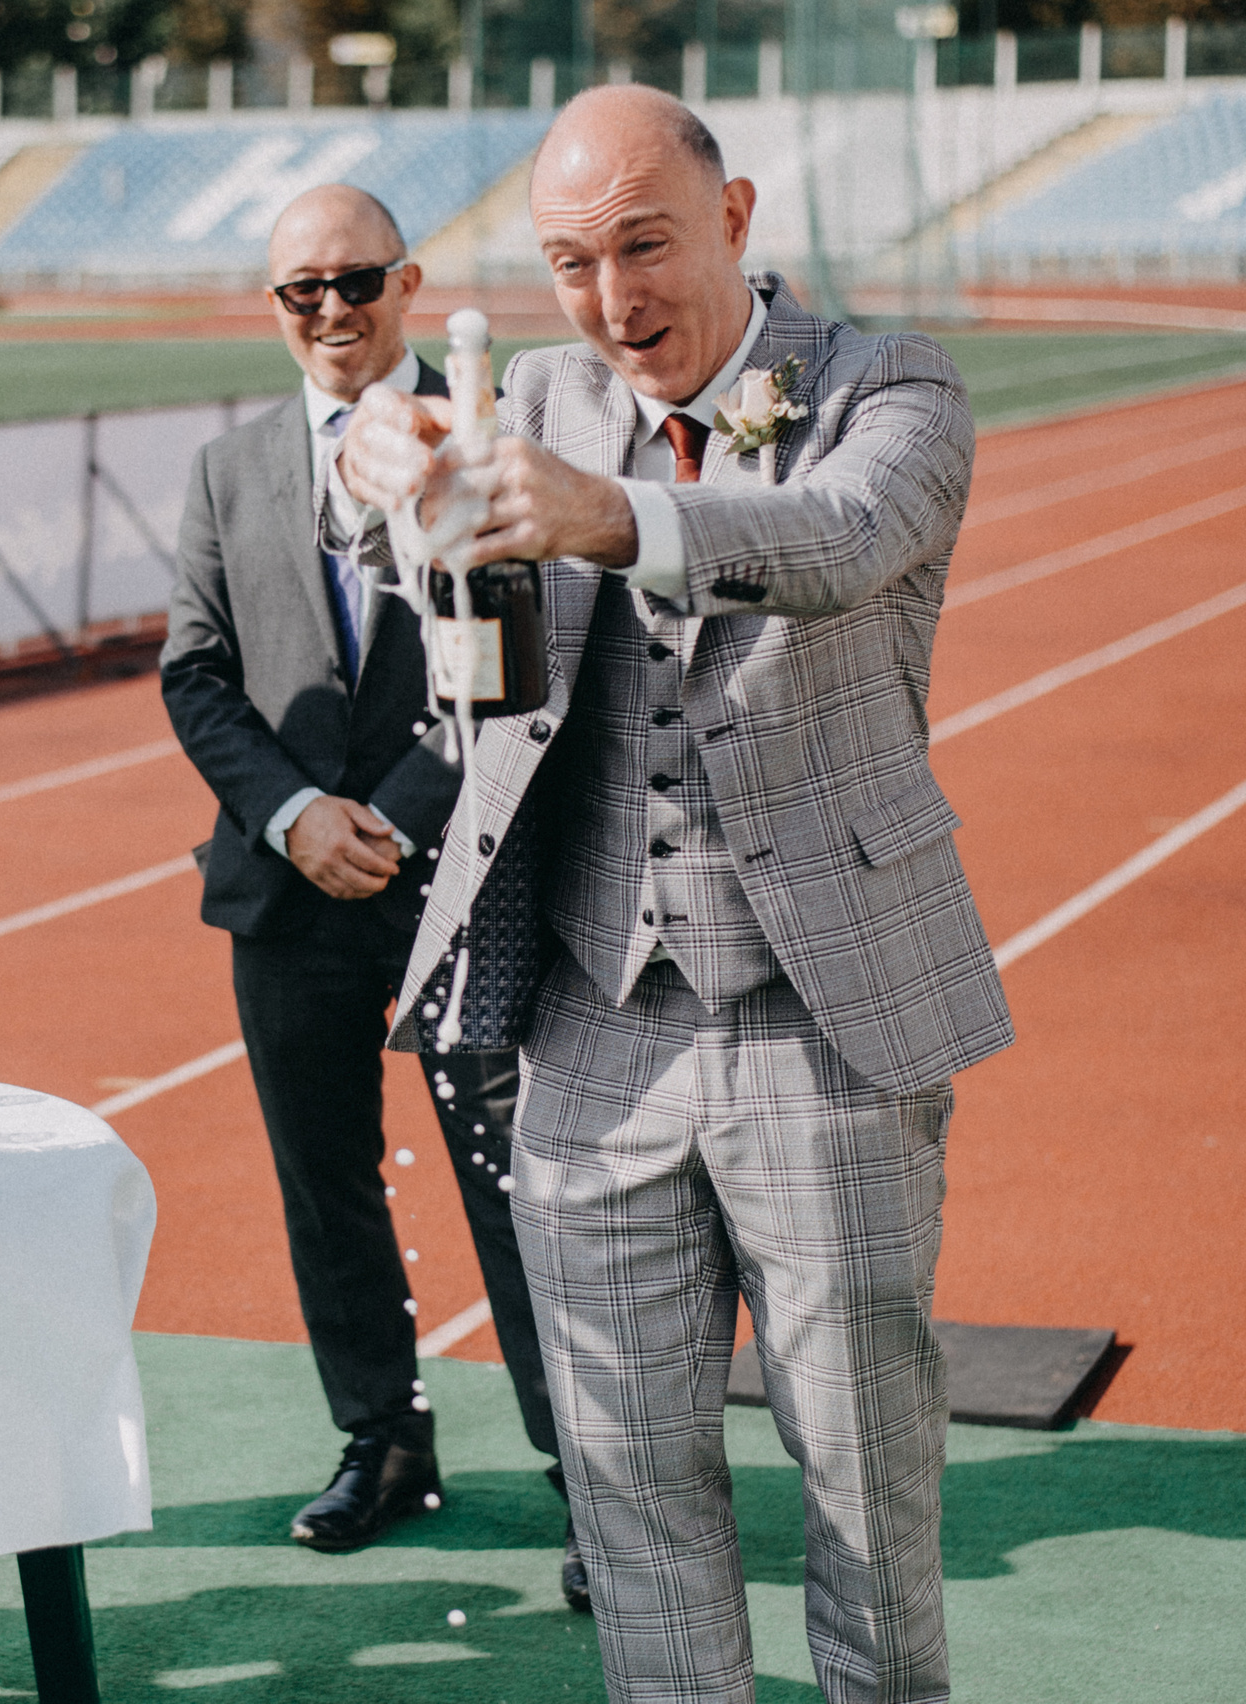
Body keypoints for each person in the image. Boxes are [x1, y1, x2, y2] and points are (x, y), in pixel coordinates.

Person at [337, 86, 1013, 1703]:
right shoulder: (535, 389)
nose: (612, 297)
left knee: (863, 1490)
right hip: (587, 1023)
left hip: (823, 1022)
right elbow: (404, 559)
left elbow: (843, 536)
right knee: (627, 1481)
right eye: (571, 260)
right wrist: (373, 469)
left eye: (644, 243)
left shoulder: (887, 380)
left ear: (736, 213)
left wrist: (614, 513)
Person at [160, 183, 583, 1605]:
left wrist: (387, 825)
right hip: (286, 888)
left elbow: (512, 663)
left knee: (513, 1188)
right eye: (300, 292)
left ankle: (588, 1475)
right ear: (272, 305)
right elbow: (195, 674)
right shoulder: (226, 469)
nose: (329, 313)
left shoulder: (486, 444)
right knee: (325, 1183)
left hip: (452, 876)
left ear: (407, 286)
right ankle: (380, 1439)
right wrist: (290, 817)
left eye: (354, 284)